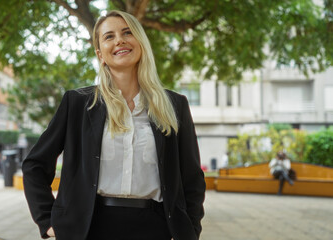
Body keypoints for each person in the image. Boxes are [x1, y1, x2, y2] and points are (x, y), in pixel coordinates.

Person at [22, 10, 205, 240]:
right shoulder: (78, 104)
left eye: (127, 32)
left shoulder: (174, 105)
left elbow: (192, 179)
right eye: (109, 36)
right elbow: (34, 165)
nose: (119, 40)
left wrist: (190, 230)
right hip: (89, 229)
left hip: (155, 229)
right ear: (100, 54)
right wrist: (48, 221)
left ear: (140, 42)